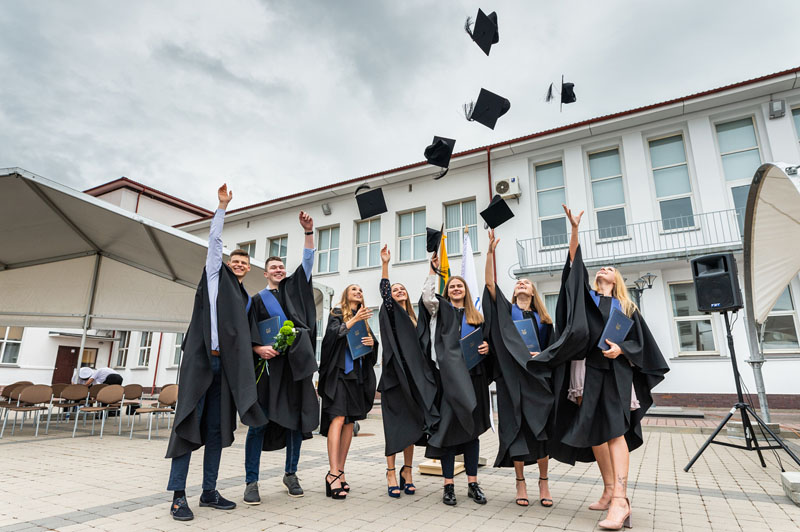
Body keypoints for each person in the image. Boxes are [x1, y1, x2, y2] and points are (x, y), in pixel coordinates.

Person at [536, 205, 669, 530]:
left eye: (610, 268)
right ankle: (609, 489)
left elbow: (642, 344)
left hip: (614, 373)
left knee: (614, 431)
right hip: (584, 372)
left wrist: (622, 349)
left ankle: (621, 501)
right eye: (600, 268)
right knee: (596, 431)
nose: (603, 270)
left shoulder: (626, 307)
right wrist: (575, 232)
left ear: (616, 279)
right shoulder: (586, 300)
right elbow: (572, 273)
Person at [165, 184, 267, 522]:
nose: (238, 265)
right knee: (186, 424)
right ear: (226, 262)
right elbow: (214, 244)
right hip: (201, 362)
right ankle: (179, 496)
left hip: (225, 368)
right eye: (235, 260)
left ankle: (209, 491)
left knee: (216, 430)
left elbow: (243, 336)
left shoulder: (244, 297)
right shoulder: (214, 276)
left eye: (243, 262)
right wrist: (222, 207)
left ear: (248, 269)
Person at [242, 212, 320, 503]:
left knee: (295, 423)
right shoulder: (257, 299)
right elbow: (246, 331)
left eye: (281, 266)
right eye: (273, 267)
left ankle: (291, 473)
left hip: (295, 370)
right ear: (265, 273)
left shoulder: (295, 292)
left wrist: (309, 232)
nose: (278, 270)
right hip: (269, 370)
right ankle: (251, 481)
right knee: (259, 423)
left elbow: (309, 263)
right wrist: (256, 349)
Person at [483, 229, 555, 508]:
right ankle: (520, 482)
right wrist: (490, 252)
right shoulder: (506, 312)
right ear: (514, 291)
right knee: (515, 428)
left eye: (527, 282)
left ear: (533, 291)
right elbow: (490, 285)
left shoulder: (544, 319)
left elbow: (555, 348)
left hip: (538, 378)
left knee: (540, 430)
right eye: (518, 283)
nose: (522, 284)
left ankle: (544, 481)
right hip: (511, 378)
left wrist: (542, 354)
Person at [419, 255, 493, 507]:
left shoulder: (477, 317)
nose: (456, 288)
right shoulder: (440, 310)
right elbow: (428, 297)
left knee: (471, 434)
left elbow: (488, 343)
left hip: (473, 379)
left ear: (466, 291)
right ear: (447, 292)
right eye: (452, 286)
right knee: (449, 432)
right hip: (449, 380)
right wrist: (432, 271)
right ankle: (448, 486)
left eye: (460, 285)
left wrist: (486, 347)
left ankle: (473, 483)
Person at [377, 245, 439, 498]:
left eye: (402, 289)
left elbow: (429, 297)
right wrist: (385, 264)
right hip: (394, 380)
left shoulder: (415, 320)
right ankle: (391, 472)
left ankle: (408, 471)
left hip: (414, 382)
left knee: (413, 428)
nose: (398, 291)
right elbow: (384, 292)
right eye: (395, 289)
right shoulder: (391, 314)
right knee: (394, 427)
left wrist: (432, 269)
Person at [318, 284, 378, 499]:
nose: (358, 292)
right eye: (354, 289)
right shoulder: (336, 313)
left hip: (357, 377)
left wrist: (372, 343)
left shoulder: (364, 320)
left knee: (350, 422)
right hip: (340, 373)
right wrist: (353, 320)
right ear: (346, 295)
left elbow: (371, 352)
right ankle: (332, 472)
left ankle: (340, 472)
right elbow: (332, 337)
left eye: (361, 290)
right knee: (338, 417)